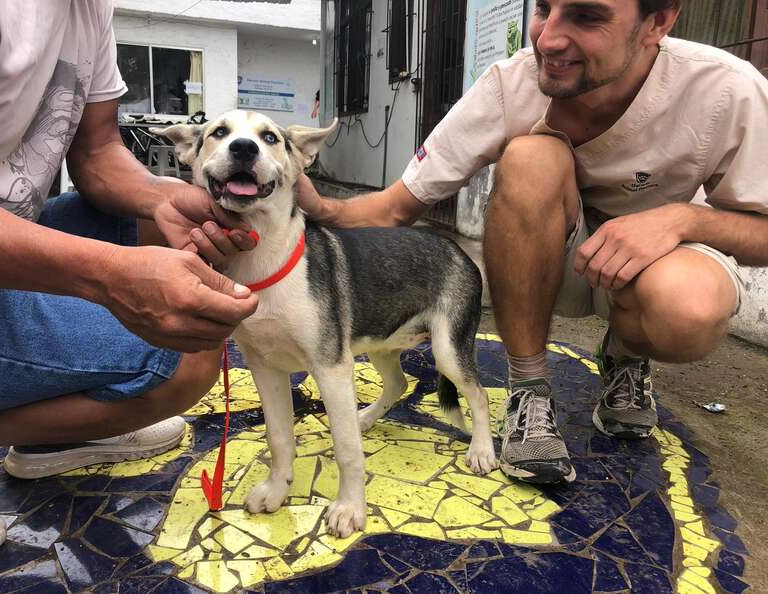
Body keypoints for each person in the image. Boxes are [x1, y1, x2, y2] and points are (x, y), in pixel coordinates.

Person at [297, 0, 768, 485]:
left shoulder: (725, 87)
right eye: (544, 8)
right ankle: (529, 387)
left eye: (587, 17)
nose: (547, 39)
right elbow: (396, 207)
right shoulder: (511, 82)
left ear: (658, 22)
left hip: (656, 263)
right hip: (558, 256)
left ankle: (625, 353)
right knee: (531, 158)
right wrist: (318, 207)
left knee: (686, 308)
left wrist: (680, 220)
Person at [0, 2, 258, 559]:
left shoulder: (87, 8)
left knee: (168, 236)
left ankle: (54, 431)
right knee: (184, 347)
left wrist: (162, 198)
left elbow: (99, 149)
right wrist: (108, 278)